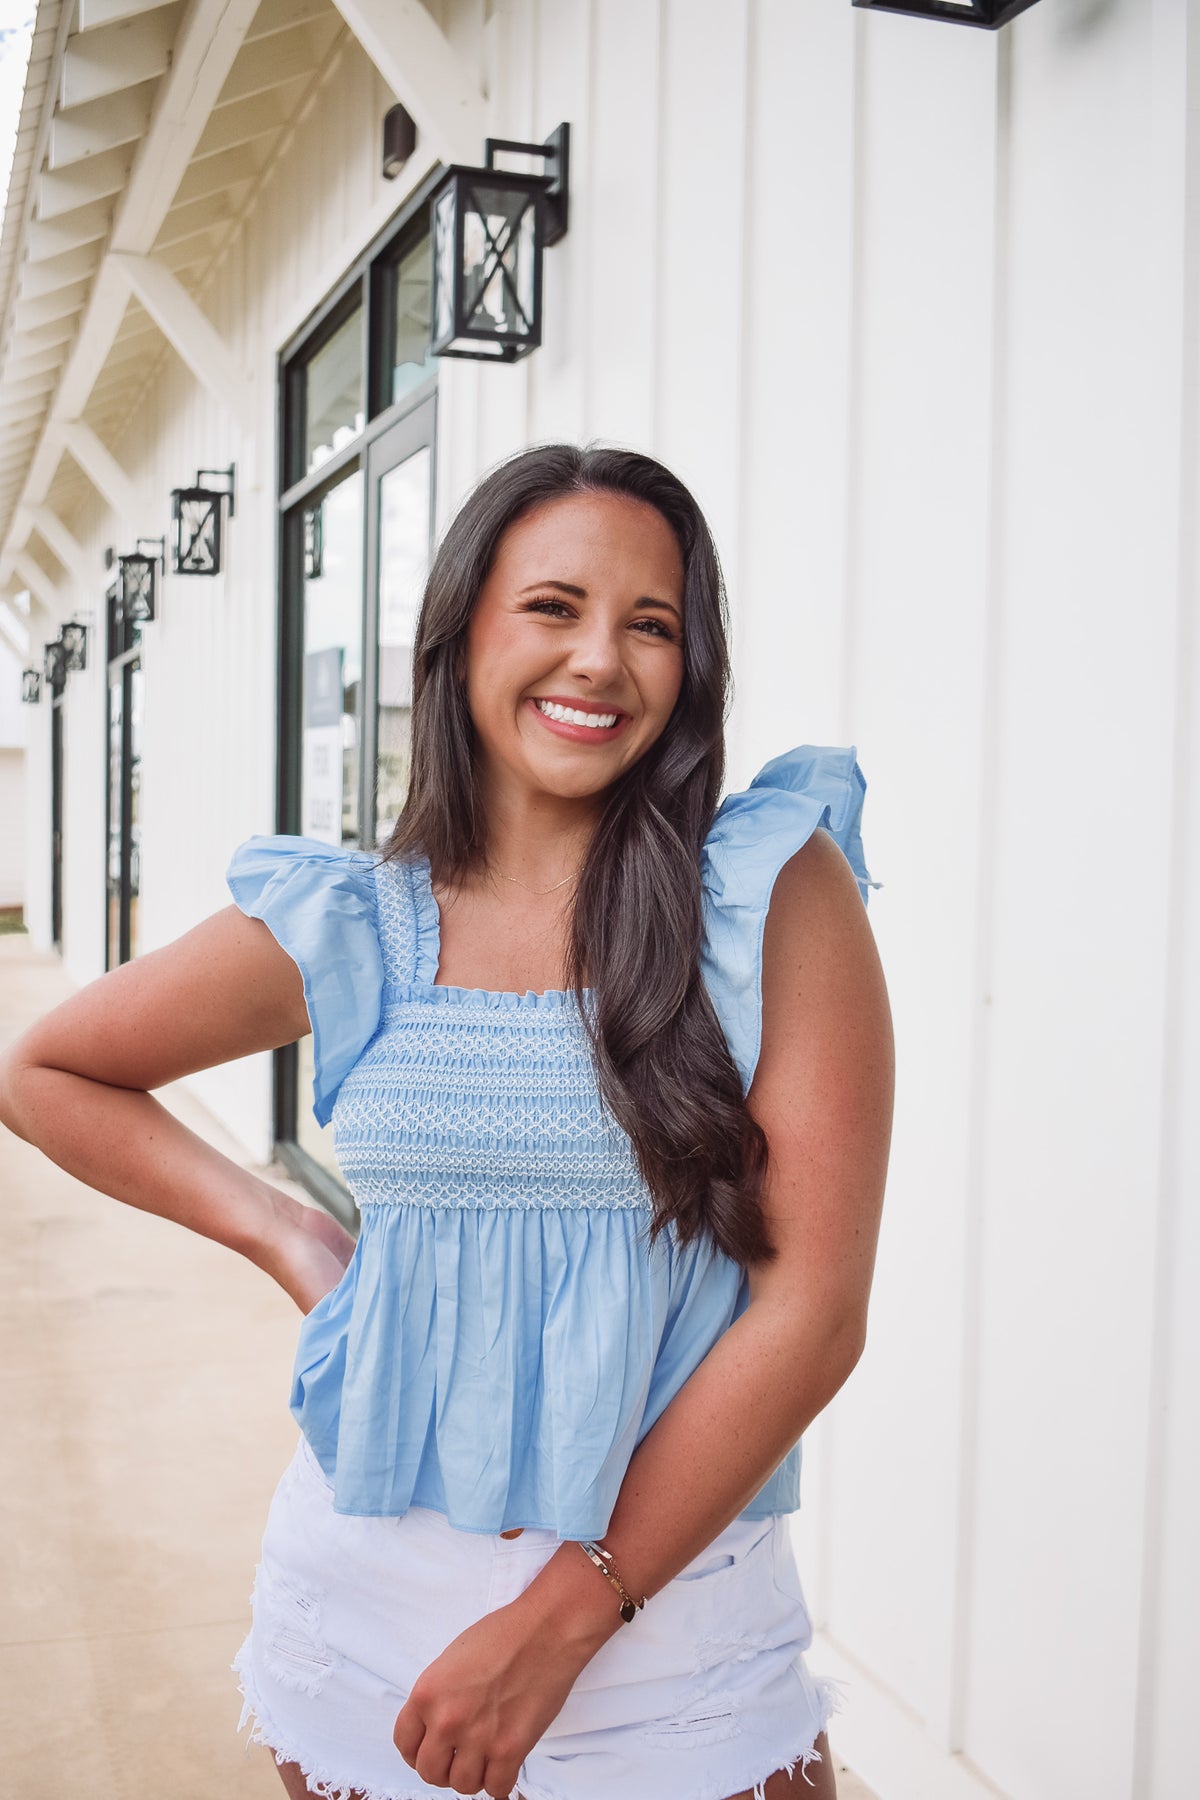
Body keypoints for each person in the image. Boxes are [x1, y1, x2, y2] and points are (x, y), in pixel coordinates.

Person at [0, 444, 894, 1800]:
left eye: (651, 624)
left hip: (665, 1616)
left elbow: (813, 1312)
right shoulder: (360, 920)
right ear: (462, 630)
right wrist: (292, 1237)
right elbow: (47, 1071)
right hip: (367, 1601)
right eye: (554, 606)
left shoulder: (768, 891)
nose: (600, 658)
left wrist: (563, 1619)